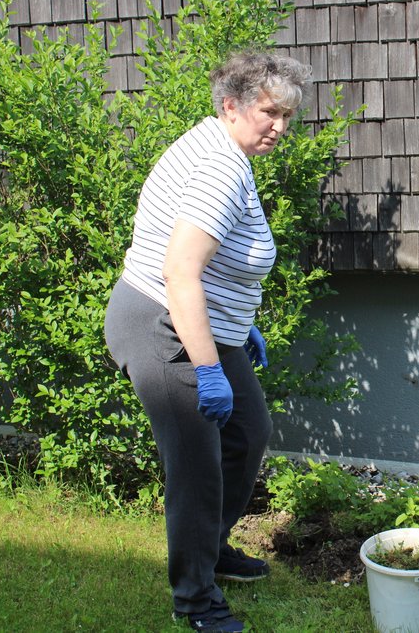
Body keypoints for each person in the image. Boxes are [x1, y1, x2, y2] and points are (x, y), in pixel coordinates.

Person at [105, 51, 312, 633]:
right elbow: (180, 271)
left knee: (247, 434)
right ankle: (195, 601)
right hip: (162, 324)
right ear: (231, 106)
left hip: (201, 324)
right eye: (270, 112)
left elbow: (208, 261)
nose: (279, 127)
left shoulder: (219, 148)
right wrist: (209, 368)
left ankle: (210, 548)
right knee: (197, 465)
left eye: (287, 116)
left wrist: (238, 323)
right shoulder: (221, 167)